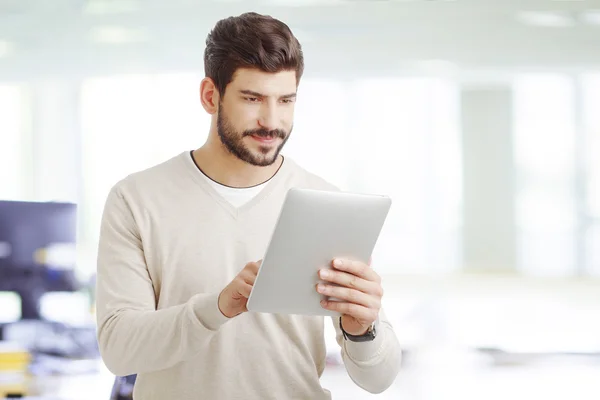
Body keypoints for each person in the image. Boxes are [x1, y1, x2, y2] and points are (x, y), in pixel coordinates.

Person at [95, 11, 402, 400]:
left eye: (285, 100)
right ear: (211, 96)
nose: (271, 121)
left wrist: (363, 329)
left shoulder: (328, 205)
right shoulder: (137, 199)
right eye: (252, 99)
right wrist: (217, 308)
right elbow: (119, 352)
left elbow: (379, 379)